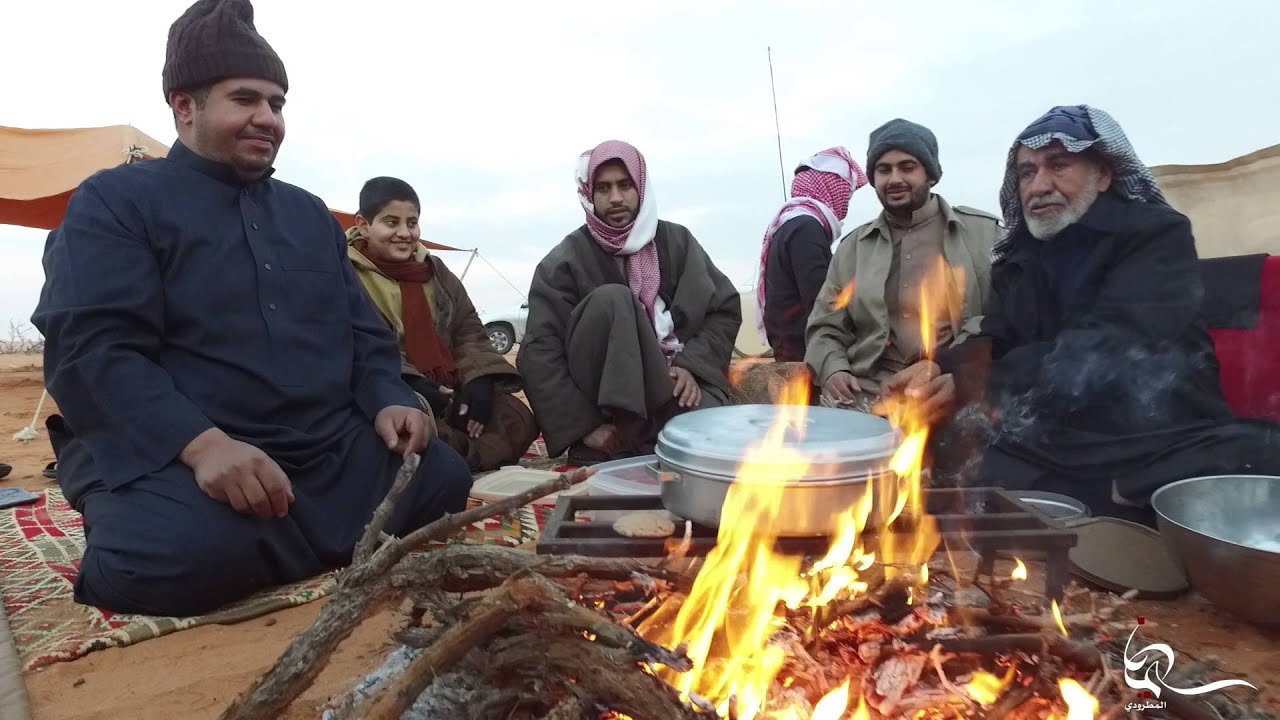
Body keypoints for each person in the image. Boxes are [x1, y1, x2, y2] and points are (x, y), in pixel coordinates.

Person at [30, 0, 471, 617]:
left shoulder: (308, 214)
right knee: (164, 557)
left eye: (278, 103)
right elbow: (90, 349)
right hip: (188, 450)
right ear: (184, 107)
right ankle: (168, 514)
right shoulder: (115, 203)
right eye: (246, 100)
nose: (269, 119)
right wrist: (202, 445)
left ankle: (282, 537)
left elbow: (363, 334)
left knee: (444, 479)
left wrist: (388, 396)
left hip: (323, 447)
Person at [939, 104, 1280, 519]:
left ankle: (1121, 504)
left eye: (1058, 165)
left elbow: (1109, 346)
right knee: (939, 443)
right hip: (1056, 436)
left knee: (1256, 456)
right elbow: (998, 338)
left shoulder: (1155, 235)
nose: (1038, 185)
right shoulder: (1018, 258)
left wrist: (976, 381)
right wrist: (939, 373)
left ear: (1103, 174)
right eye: (1026, 172)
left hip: (1155, 436)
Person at [517, 140, 742, 464]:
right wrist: (584, 427)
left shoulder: (678, 243)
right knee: (613, 299)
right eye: (604, 188)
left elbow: (723, 309)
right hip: (601, 408)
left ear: (641, 187)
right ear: (589, 195)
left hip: (675, 383)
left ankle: (649, 437)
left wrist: (690, 366)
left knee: (712, 443)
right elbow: (540, 351)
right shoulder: (565, 262)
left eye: (625, 186)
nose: (616, 198)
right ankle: (625, 434)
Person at [806, 119, 1002, 429]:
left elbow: (1003, 319)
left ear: (931, 175)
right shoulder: (853, 248)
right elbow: (825, 326)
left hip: (950, 387)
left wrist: (956, 374)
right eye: (884, 170)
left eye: (907, 167)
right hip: (867, 394)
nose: (894, 179)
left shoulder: (982, 235)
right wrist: (834, 369)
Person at [346, 176, 539, 472]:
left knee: (516, 419)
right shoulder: (345, 273)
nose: (404, 233)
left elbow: (467, 328)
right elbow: (357, 343)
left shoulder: (434, 271)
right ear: (363, 224)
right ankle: (451, 462)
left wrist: (479, 380)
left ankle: (454, 460)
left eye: (412, 222)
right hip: (391, 386)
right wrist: (416, 385)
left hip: (450, 387)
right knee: (409, 431)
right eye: (391, 222)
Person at [758, 147, 869, 363]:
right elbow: (821, 299)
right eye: (846, 191)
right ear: (830, 187)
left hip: (794, 348)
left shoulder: (791, 222)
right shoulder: (805, 228)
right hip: (804, 355)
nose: (846, 200)